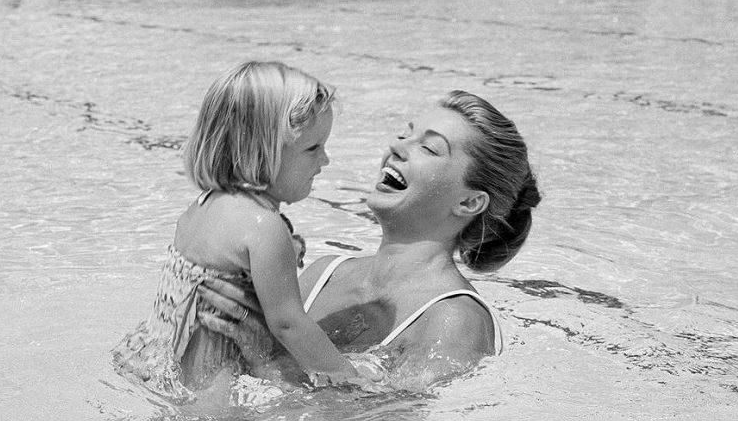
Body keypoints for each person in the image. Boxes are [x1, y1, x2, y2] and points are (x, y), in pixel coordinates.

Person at [199, 90, 541, 392]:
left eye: (429, 148)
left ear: (469, 202)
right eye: (404, 135)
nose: (397, 147)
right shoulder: (324, 274)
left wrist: (264, 354)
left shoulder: (453, 319)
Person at [112, 62, 377, 401]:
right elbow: (288, 324)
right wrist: (348, 377)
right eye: (313, 148)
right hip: (213, 384)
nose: (324, 160)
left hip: (159, 361)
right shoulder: (264, 228)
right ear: (260, 151)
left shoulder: (203, 206)